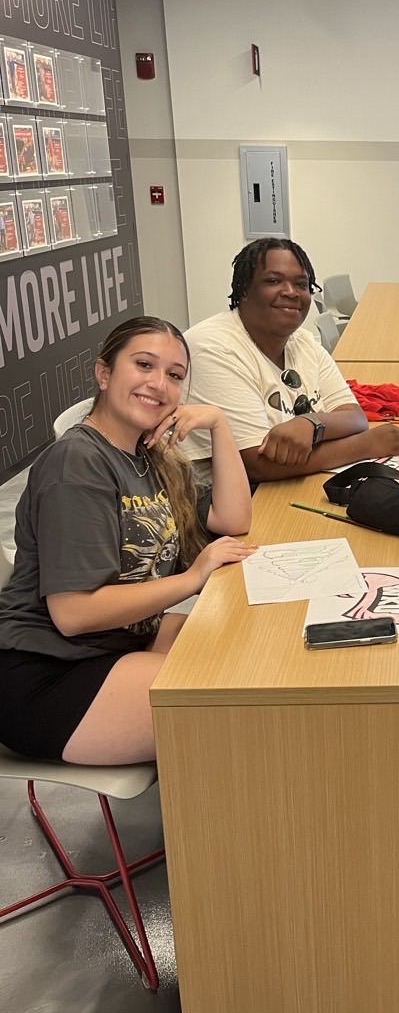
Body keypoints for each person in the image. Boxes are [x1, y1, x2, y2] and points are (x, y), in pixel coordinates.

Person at [0, 317, 254, 765]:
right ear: (104, 374)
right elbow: (74, 614)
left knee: (252, 654)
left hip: (119, 644)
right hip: (50, 672)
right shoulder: (76, 466)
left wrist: (218, 424)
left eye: (175, 375)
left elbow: (233, 518)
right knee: (237, 710)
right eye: (143, 365)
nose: (159, 384)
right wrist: (194, 577)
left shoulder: (148, 455)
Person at [182, 238, 399, 484]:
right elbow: (255, 465)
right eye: (273, 281)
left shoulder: (301, 341)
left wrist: (311, 423)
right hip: (222, 504)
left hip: (283, 486)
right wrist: (365, 446)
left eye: (301, 284)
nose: (291, 292)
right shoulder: (213, 348)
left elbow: (354, 417)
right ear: (245, 290)